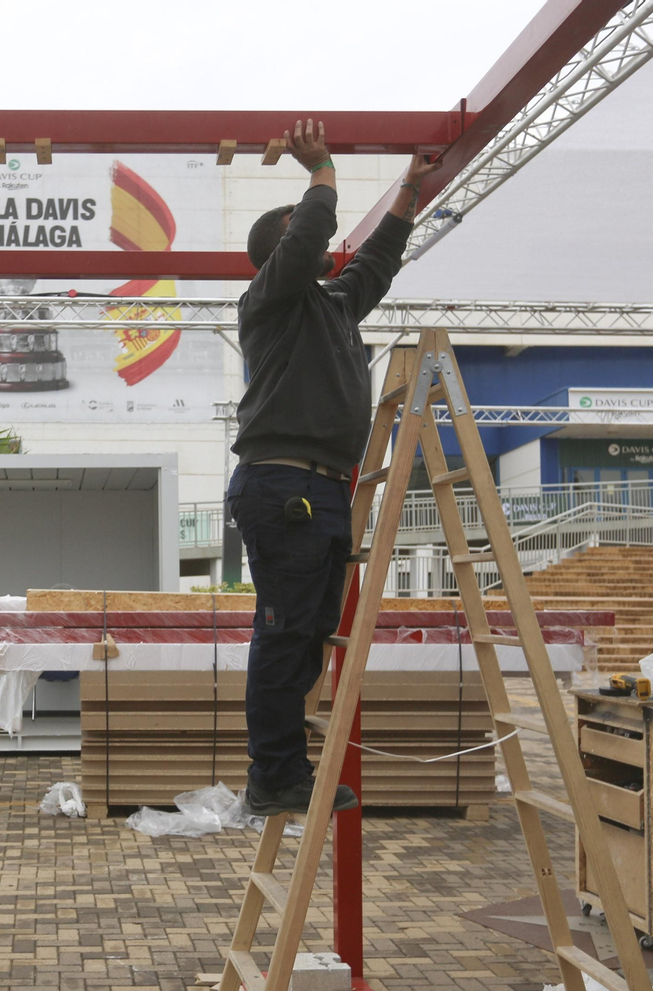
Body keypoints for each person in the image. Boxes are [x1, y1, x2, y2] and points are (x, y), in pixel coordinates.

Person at [229, 117, 441, 817]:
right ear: (282, 251)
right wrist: (320, 172)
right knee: (286, 628)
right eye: (304, 231)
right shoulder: (269, 301)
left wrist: (409, 191)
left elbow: (375, 261)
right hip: (284, 484)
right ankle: (273, 775)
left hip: (318, 489)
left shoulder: (335, 306)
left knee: (310, 628)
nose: (323, 236)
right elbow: (311, 235)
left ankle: (283, 768)